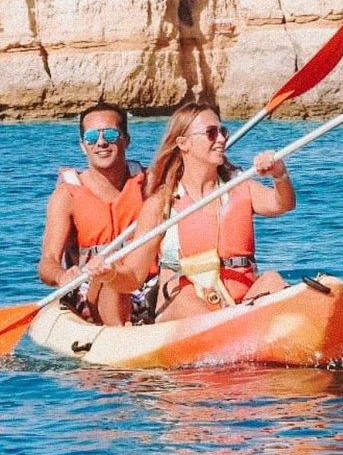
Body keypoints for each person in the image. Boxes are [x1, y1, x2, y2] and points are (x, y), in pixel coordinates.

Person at [106, 101, 295, 324]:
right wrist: (108, 274)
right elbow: (133, 278)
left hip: (242, 303)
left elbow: (283, 204)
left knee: (272, 280)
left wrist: (279, 174)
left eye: (222, 131)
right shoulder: (161, 204)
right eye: (211, 133)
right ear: (183, 143)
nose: (222, 139)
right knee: (187, 299)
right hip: (186, 310)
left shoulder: (239, 186)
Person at [37, 102, 148, 325]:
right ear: (83, 146)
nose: (101, 142)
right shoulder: (66, 196)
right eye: (91, 138)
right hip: (94, 287)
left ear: (126, 140)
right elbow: (47, 262)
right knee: (111, 280)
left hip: (144, 284)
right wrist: (62, 275)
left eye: (110, 134)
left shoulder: (150, 184)